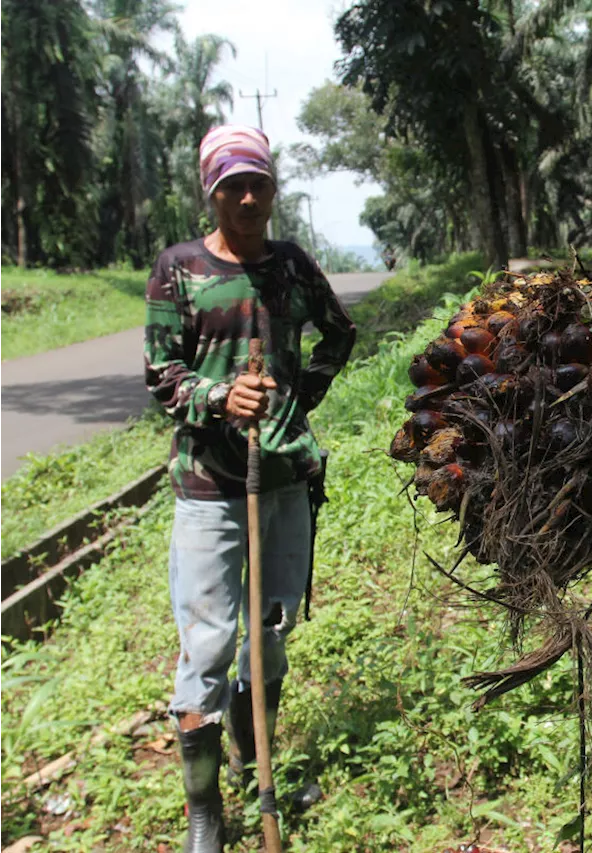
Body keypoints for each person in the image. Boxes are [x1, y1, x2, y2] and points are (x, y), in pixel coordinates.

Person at [144, 124, 357, 852]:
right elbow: (160, 373)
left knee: (269, 629)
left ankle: (252, 760)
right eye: (231, 185)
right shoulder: (180, 268)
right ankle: (206, 814)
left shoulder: (291, 267)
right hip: (209, 485)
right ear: (211, 192)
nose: (246, 197)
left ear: (272, 189)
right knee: (207, 644)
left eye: (257, 183)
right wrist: (217, 398)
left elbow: (339, 334)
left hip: (284, 480)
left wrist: (300, 399)